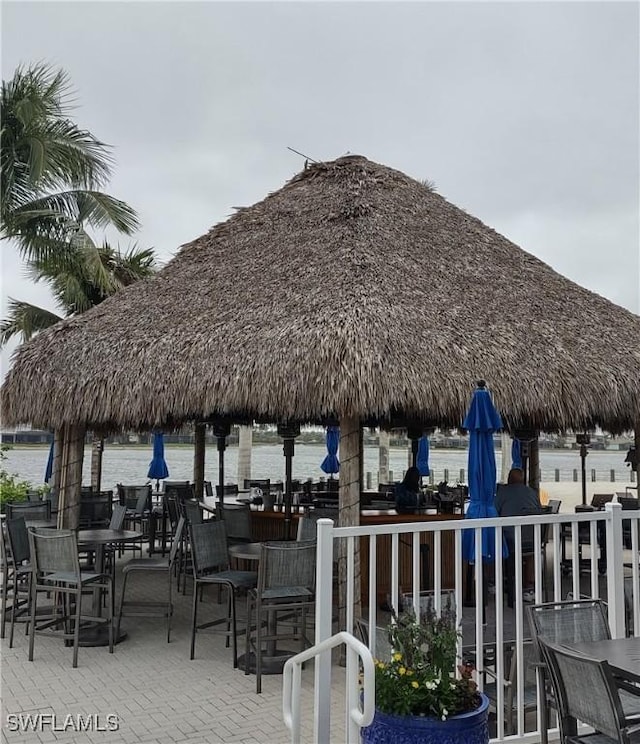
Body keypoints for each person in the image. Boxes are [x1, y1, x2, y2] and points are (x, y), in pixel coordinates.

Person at [495, 468, 543, 602]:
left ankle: (494, 581)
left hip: (510, 539)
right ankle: (529, 586)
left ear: (509, 479)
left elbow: (494, 511)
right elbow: (539, 511)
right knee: (529, 552)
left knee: (491, 541)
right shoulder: (532, 492)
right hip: (532, 539)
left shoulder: (503, 492)